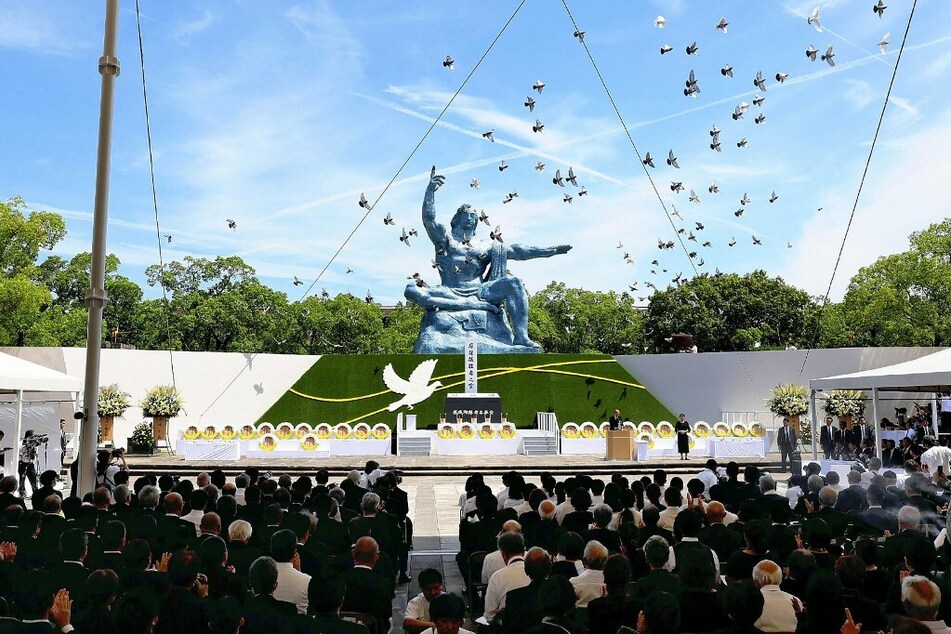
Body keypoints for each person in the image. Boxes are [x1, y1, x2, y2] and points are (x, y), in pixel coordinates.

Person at [404, 167, 572, 351]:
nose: (470, 218)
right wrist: (430, 192)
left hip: (481, 291)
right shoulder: (446, 241)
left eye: (474, 215)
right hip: (451, 290)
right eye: (466, 214)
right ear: (457, 218)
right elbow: (429, 221)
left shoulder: (485, 245)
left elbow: (518, 250)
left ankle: (521, 337)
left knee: (514, 282)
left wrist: (551, 250)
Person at [404, 568, 444, 633]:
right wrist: (433, 625)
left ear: (441, 585)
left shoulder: (449, 600)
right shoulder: (416, 602)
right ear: (421, 588)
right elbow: (407, 623)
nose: (433, 592)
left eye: (435, 588)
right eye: (428, 589)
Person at [18, 429, 43, 497]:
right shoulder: (21, 442)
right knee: (22, 479)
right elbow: (19, 451)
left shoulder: (33, 443)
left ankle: (35, 493)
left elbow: (35, 453)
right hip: (22, 462)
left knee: (33, 478)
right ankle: (22, 493)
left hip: (30, 463)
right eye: (32, 436)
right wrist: (26, 446)